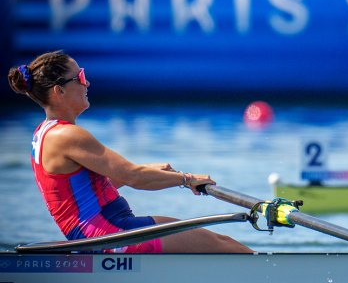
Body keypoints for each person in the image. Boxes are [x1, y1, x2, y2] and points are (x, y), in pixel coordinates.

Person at [8, 50, 253, 253]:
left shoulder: (44, 132)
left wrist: (149, 170)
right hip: (111, 234)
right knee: (226, 247)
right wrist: (187, 179)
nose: (87, 82)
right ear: (58, 91)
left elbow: (87, 193)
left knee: (220, 243)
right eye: (80, 77)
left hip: (101, 232)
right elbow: (134, 177)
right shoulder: (68, 135)